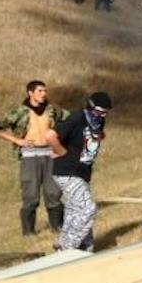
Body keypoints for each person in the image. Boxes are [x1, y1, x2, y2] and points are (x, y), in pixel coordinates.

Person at [0, 80, 68, 236]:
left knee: (54, 192)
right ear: (30, 93)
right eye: (40, 91)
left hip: (50, 154)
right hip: (30, 156)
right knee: (31, 195)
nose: (44, 94)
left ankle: (58, 227)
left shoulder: (52, 111)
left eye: (45, 91)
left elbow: (69, 120)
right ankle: (29, 232)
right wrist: (17, 140)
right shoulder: (20, 112)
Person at [44, 91, 112, 252]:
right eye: (100, 111)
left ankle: (85, 249)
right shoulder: (77, 118)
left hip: (82, 172)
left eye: (106, 112)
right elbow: (50, 136)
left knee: (75, 211)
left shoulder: (98, 122)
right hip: (67, 171)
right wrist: (61, 152)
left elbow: (92, 137)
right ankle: (66, 247)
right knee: (88, 209)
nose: (102, 115)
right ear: (90, 106)